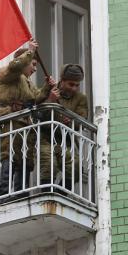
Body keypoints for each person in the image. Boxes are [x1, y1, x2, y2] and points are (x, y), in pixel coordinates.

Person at [0, 41, 57, 201]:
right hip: (10, 120)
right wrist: (30, 52)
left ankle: (21, 193)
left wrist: (47, 87)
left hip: (25, 122)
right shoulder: (7, 73)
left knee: (25, 158)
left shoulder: (27, 82)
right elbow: (14, 66)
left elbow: (36, 98)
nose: (35, 69)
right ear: (24, 60)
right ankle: (4, 194)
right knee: (10, 154)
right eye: (33, 64)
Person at [42, 64, 89, 193]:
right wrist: (51, 100)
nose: (74, 88)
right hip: (46, 138)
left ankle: (60, 195)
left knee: (75, 166)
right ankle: (46, 195)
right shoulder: (49, 90)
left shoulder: (81, 98)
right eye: (71, 84)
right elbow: (39, 114)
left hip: (66, 140)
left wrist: (72, 121)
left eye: (77, 85)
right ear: (62, 81)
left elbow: (82, 120)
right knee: (48, 163)